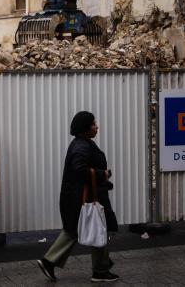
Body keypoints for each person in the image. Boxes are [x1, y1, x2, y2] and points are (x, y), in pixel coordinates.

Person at [37, 111, 119, 283]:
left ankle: (99, 268)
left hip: (81, 197)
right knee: (94, 229)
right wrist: (102, 175)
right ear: (85, 128)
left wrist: (102, 181)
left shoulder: (82, 144)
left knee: (84, 230)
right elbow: (79, 170)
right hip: (82, 199)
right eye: (94, 124)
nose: (97, 127)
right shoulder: (82, 146)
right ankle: (99, 270)